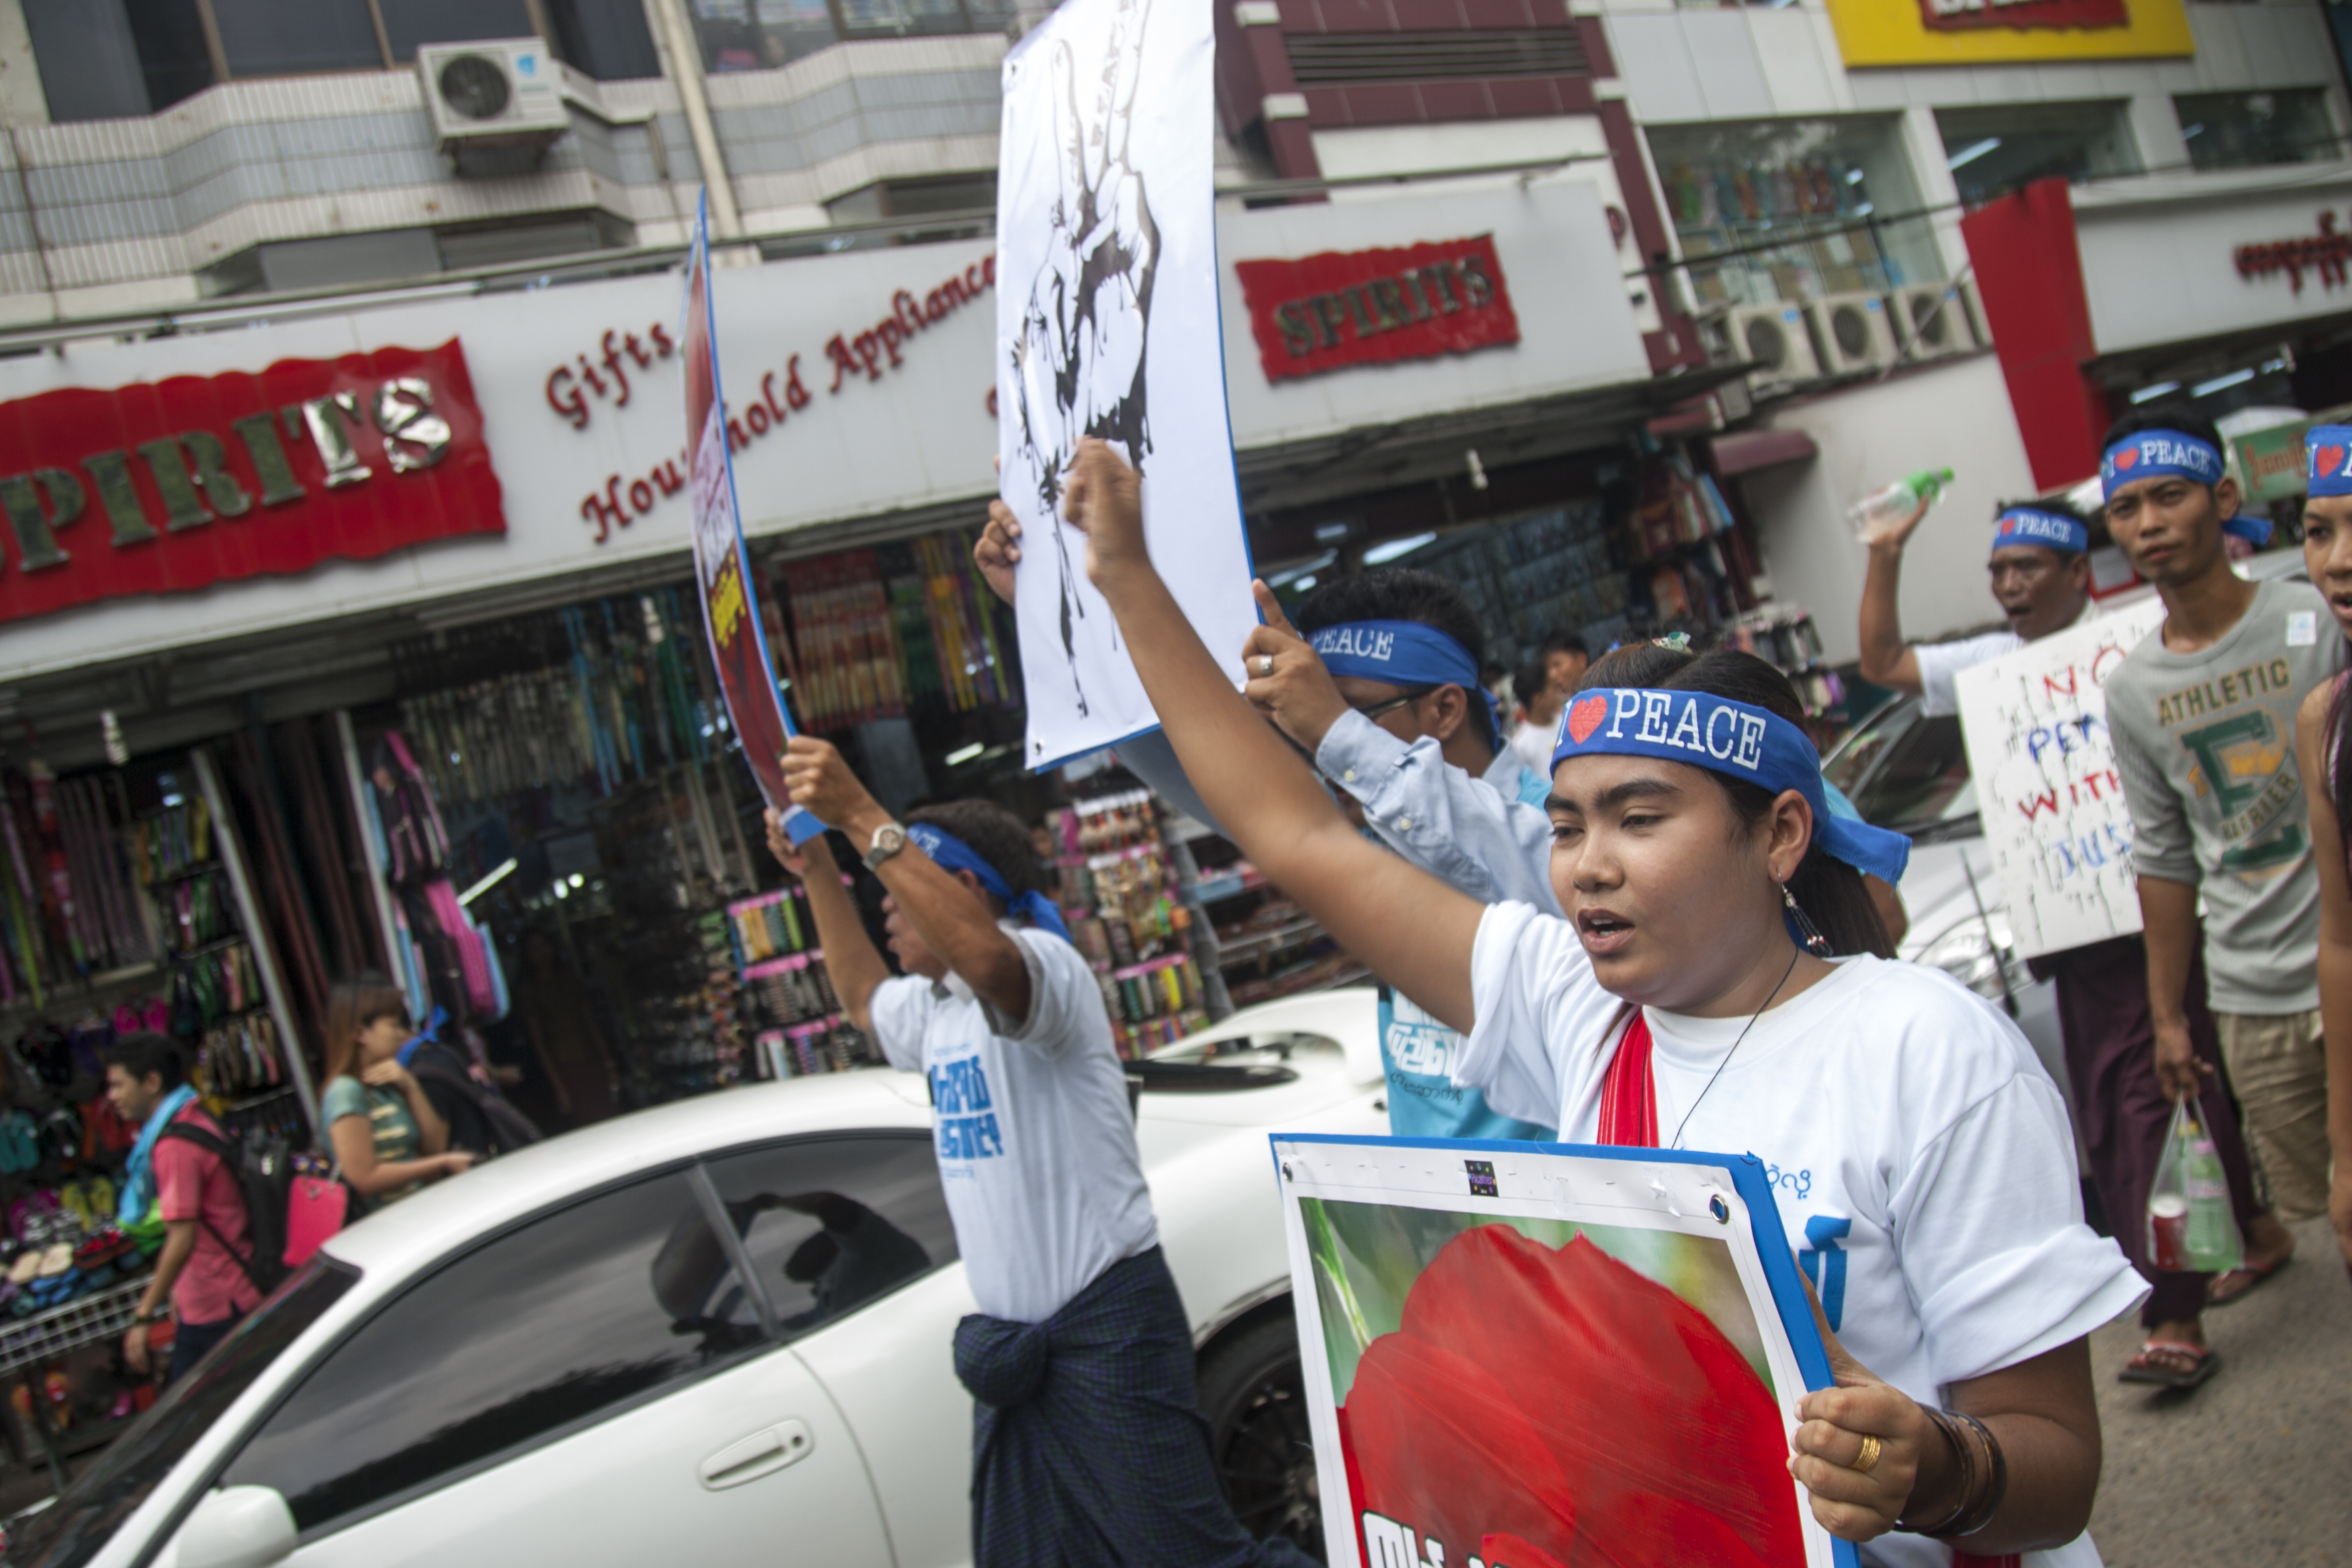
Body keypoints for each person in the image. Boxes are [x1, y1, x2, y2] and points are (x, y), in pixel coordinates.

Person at [1063, 435, 2138, 1563]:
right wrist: (1125, 577)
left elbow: (2053, 1471)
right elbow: (1291, 832)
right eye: (1567, 825)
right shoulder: (1572, 1011)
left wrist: (1922, 1464)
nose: (1584, 865)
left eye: (1638, 818)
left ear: (1776, 833)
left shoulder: (1927, 1053)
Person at [761, 751, 1311, 1568]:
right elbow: (860, 1001)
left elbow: (988, 962)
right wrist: (815, 872)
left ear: (965, 892)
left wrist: (861, 816)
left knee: (1193, 1560)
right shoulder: (936, 1007)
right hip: (1019, 1358)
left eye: (898, 884)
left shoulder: (1040, 965)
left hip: (1107, 1336)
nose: (886, 905)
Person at [1859, 493, 2291, 1387]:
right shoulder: (1990, 662)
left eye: (2027, 569)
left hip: (2157, 912)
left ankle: (2174, 1306)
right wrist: (1886, 554)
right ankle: (2256, 1229)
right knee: (2124, 1097)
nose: (2010, 585)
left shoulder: (2129, 639)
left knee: (2148, 1100)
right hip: (2069, 930)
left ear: (2076, 575)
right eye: (1998, 573)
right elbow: (1880, 659)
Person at [2102, 408, 2345, 1267]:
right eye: (2126, 507)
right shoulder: (2132, 688)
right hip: (2252, 993)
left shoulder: (2318, 616)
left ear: (2225, 497)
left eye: (2170, 495)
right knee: (2334, 1215)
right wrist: (2170, 1016)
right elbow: (2165, 862)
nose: (2149, 523)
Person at [2284, 422, 2352, 1282]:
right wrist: (2346, 1154)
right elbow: (2341, 944)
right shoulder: (2325, 724)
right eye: (2319, 530)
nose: (2339, 560)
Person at [105, 1034, 264, 1381]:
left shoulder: (174, 1145)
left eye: (118, 1085)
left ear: (151, 1082)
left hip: (220, 1301)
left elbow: (182, 1237)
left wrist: (145, 1314)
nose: (112, 1097)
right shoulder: (194, 1117)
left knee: (194, 1418)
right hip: (218, 1294)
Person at [320, 974, 474, 1210]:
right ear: (362, 1033)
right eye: (393, 1025)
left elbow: (435, 1146)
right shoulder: (346, 1091)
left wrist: (410, 1085)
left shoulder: (387, 1086)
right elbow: (364, 1178)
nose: (401, 1034)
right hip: (387, 1227)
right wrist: (442, 1162)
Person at [1509, 655, 1564, 777]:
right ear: (1537, 699)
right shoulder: (1521, 745)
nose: (1558, 692)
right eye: (1552, 688)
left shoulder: (1566, 722)